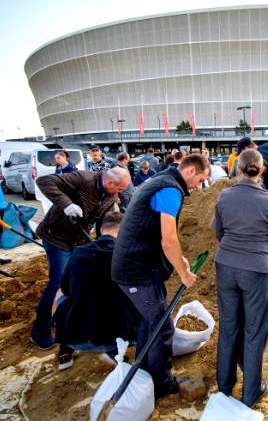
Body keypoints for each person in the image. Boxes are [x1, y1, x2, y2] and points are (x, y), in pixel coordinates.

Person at [112, 154, 210, 399]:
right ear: (189, 171)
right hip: (135, 270)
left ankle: (145, 370)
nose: (198, 186)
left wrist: (179, 259)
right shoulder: (170, 190)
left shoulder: (162, 180)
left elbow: (156, 233)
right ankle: (161, 383)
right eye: (200, 179)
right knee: (163, 327)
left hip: (139, 265)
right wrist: (183, 272)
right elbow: (168, 239)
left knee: (150, 321)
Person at [31, 168, 131, 349]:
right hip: (57, 236)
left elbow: (104, 224)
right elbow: (44, 181)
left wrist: (106, 246)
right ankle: (40, 329)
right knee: (57, 283)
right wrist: (66, 204)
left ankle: (73, 318)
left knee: (80, 278)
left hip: (79, 239)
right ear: (110, 183)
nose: (120, 193)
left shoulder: (109, 195)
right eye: (119, 189)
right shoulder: (83, 179)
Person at [213, 149, 268, 407]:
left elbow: (218, 231)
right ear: (261, 170)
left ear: (237, 169)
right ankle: (251, 393)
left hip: (226, 265)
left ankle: (225, 388)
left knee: (228, 328)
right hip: (256, 269)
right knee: (253, 332)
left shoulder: (224, 195)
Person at [52, 212, 138, 370]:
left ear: (100, 230)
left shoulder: (78, 253)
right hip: (121, 336)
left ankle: (65, 348)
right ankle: (113, 351)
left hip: (77, 337)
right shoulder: (129, 256)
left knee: (59, 293)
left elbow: (67, 289)